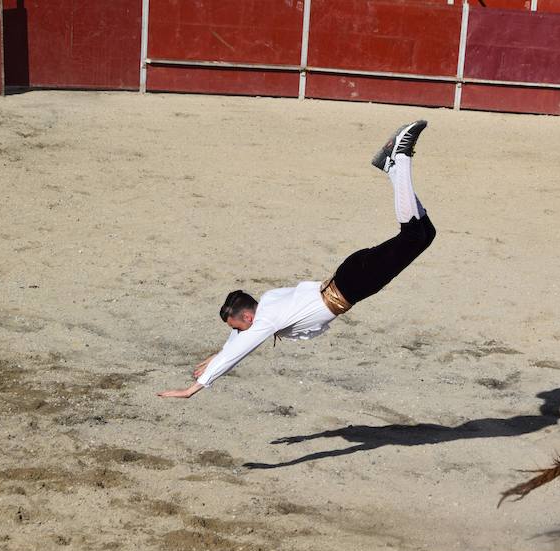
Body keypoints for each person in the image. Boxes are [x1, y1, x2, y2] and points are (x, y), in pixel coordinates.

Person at [157, 120, 436, 399]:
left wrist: (195, 387)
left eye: (236, 327)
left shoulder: (267, 319)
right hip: (350, 277)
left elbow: (241, 349)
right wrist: (219, 353)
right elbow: (238, 340)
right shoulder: (266, 301)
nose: (238, 333)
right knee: (425, 234)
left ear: (247, 316)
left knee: (413, 235)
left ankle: (398, 157)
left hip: (354, 282)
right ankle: (392, 168)